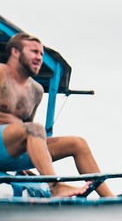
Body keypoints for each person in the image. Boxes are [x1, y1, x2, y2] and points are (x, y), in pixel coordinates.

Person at [0, 32, 115, 197]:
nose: (39, 57)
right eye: (33, 51)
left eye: (41, 53)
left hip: (11, 150)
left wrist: (24, 165)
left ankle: (109, 198)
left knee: (77, 143)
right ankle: (55, 186)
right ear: (15, 52)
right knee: (34, 129)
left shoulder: (36, 90)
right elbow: (29, 129)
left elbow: (25, 127)